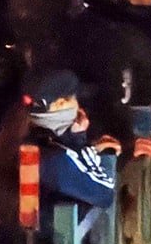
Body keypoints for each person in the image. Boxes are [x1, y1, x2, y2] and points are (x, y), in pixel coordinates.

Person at [22, 69, 118, 213]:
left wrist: (76, 139)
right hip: (55, 227)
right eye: (74, 99)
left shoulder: (24, 136)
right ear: (61, 104)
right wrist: (84, 146)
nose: (78, 105)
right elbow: (105, 193)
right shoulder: (54, 160)